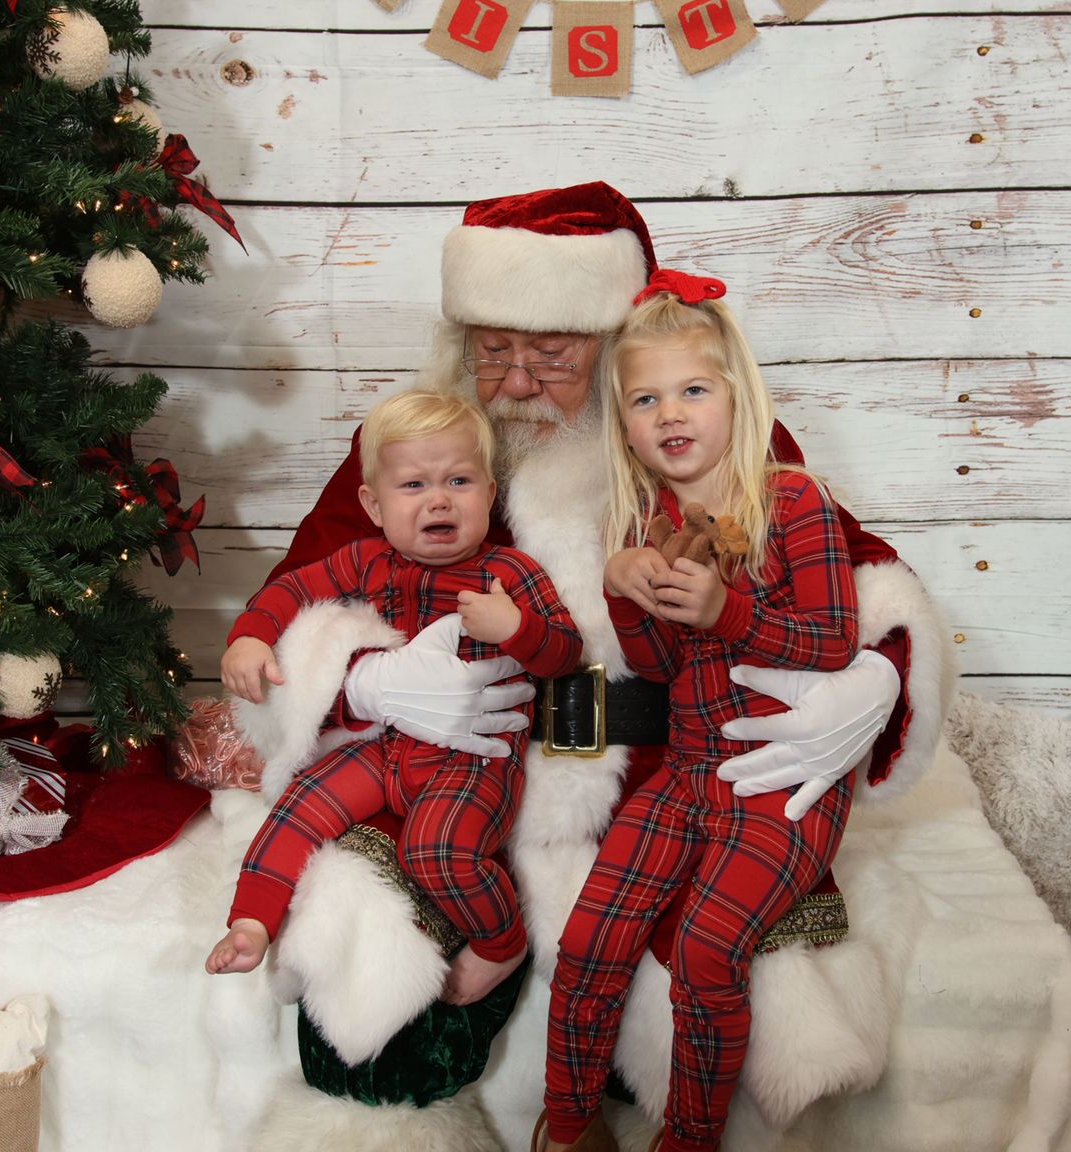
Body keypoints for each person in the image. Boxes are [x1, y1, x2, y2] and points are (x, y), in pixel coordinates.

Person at [226, 181, 951, 1139]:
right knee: (372, 1049)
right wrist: (366, 680)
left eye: (553, 355)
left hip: (661, 772)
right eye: (494, 351)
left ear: (611, 345)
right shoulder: (425, 440)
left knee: (682, 988)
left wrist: (877, 681)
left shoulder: (691, 435)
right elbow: (297, 595)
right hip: (458, 773)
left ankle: (602, 1112)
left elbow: (866, 577)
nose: (518, 383)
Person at [539, 272, 876, 1152]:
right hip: (690, 772)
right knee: (590, 940)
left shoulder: (792, 501)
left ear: (736, 396)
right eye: (645, 399)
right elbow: (657, 666)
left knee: (706, 950)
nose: (670, 414)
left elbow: (834, 640)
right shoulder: (646, 523)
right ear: (625, 425)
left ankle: (690, 1137)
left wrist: (729, 611)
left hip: (782, 782)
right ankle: (568, 1123)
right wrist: (623, 593)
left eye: (692, 390)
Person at [210, 390, 582, 1005]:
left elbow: (565, 652)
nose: (439, 500)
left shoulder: (510, 572)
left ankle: (502, 942)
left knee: (435, 850)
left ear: (490, 494)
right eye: (413, 485)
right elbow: (292, 591)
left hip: (473, 757)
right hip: (385, 745)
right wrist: (250, 635)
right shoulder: (366, 561)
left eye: (459, 481)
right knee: (299, 805)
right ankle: (251, 922)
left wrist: (516, 628)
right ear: (374, 506)